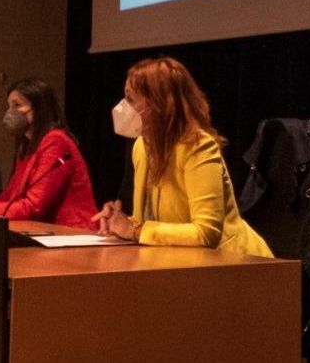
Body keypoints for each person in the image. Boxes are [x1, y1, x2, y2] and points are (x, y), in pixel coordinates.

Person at [92, 57, 273, 257]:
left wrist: (134, 231)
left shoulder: (198, 147)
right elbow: (153, 221)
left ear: (158, 104)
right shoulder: (141, 147)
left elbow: (206, 232)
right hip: (182, 265)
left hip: (238, 264)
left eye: (131, 99)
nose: (123, 106)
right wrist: (120, 220)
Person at [0, 77, 98, 226]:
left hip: (73, 232)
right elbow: (10, 197)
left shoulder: (56, 142)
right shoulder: (27, 146)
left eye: (17, 105)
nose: (10, 112)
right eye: (9, 106)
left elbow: (34, 207)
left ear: (39, 108)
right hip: (46, 232)